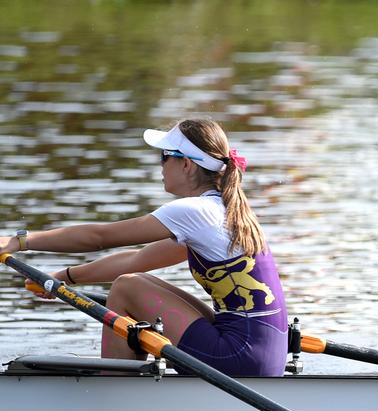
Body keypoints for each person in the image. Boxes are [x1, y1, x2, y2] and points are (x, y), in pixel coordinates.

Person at [1, 119, 288, 376]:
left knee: (126, 288)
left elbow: (99, 236)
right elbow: (137, 260)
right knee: (136, 281)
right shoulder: (225, 210)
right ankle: (124, 376)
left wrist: (20, 242)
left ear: (186, 164)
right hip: (262, 354)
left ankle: (115, 391)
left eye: (164, 157)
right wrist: (63, 277)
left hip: (240, 357)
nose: (160, 166)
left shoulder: (194, 211)